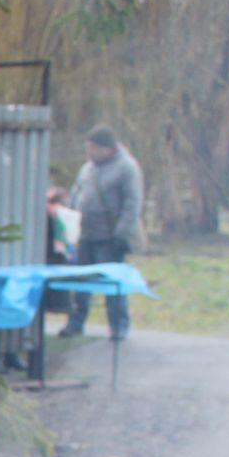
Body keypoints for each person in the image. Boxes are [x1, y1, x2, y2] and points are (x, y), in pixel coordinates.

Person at [59, 126, 143, 340]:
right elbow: (77, 193)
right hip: (86, 235)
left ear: (108, 149)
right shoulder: (87, 168)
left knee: (112, 285)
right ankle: (75, 323)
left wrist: (121, 234)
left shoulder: (127, 168)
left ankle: (118, 326)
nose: (89, 153)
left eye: (93, 148)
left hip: (110, 237)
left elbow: (132, 205)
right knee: (80, 283)